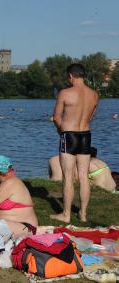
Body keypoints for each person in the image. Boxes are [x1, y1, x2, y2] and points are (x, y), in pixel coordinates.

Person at [50, 63, 98, 223]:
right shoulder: (94, 94)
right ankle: (83, 214)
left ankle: (66, 214)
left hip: (68, 134)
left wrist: (60, 130)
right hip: (85, 134)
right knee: (84, 176)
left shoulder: (65, 92)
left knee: (68, 176)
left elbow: (57, 117)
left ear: (71, 76)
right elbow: (91, 116)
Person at [49, 148, 117, 192]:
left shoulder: (87, 164)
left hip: (102, 190)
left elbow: (74, 179)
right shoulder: (102, 162)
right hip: (112, 188)